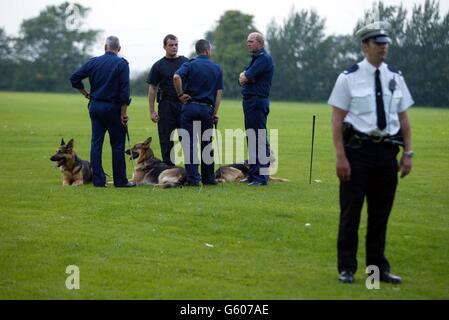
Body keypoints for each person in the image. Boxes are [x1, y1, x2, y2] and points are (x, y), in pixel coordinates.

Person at [328, 21, 414, 284]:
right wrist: (341, 157)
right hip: (357, 153)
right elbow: (336, 120)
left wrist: (408, 153)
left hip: (387, 154)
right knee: (351, 212)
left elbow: (403, 118)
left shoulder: (395, 77)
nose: (383, 47)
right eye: (378, 43)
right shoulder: (348, 78)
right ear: (365, 46)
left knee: (380, 215)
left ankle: (377, 270)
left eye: (385, 43)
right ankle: (347, 268)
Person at [70, 36, 135, 188]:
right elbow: (125, 93)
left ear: (105, 47)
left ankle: (98, 181)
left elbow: (74, 78)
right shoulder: (122, 64)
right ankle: (120, 181)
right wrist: (123, 113)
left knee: (96, 143)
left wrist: (85, 93)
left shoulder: (93, 62)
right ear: (119, 49)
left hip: (95, 106)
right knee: (118, 145)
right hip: (113, 108)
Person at [173, 39, 224, 186]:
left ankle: (194, 179)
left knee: (189, 144)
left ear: (198, 51)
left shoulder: (189, 64)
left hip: (190, 107)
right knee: (206, 144)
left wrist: (180, 94)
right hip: (207, 109)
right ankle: (209, 178)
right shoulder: (216, 68)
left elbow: (176, 77)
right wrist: (214, 113)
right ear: (207, 51)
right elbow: (219, 93)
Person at [147, 34, 189, 165]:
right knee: (166, 140)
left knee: (187, 140)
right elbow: (152, 88)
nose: (174, 47)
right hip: (166, 105)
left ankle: (191, 174)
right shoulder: (158, 66)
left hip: (184, 105)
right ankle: (169, 171)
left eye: (176, 44)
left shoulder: (186, 62)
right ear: (164, 46)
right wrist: (152, 111)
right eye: (171, 45)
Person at [239, 32, 274, 186]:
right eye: (248, 41)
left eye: (251, 41)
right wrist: (245, 77)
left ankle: (261, 177)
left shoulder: (263, 59)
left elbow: (245, 77)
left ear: (259, 42)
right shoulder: (255, 59)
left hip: (257, 102)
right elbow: (242, 77)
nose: (248, 44)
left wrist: (245, 77)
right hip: (250, 102)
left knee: (258, 138)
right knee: (251, 137)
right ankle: (253, 174)